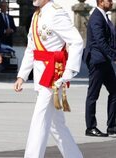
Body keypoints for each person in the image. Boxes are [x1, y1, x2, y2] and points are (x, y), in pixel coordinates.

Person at [14, 0, 84, 157]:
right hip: (41, 75)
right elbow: (32, 48)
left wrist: (69, 70)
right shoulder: (36, 15)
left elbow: (76, 41)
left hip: (53, 75)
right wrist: (22, 76)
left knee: (39, 119)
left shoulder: (56, 13)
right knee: (55, 124)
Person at [83, 0, 116, 137]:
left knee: (115, 91)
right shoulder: (96, 17)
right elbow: (100, 40)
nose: (112, 2)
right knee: (93, 95)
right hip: (97, 61)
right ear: (101, 2)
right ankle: (90, 127)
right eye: (109, 0)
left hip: (105, 61)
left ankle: (112, 126)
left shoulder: (104, 16)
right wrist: (114, 56)